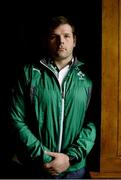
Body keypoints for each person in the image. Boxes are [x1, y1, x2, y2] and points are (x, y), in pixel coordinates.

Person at [8, 16, 96, 179]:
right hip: (35, 167)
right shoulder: (29, 73)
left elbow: (92, 122)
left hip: (74, 170)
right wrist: (46, 157)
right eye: (54, 36)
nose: (60, 41)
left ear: (74, 41)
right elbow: (16, 119)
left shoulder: (89, 78)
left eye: (66, 36)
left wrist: (69, 158)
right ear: (47, 41)